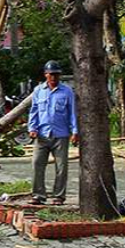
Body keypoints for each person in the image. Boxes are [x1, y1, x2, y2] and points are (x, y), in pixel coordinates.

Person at [28, 60, 79, 205]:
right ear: (46, 75)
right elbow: (34, 111)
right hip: (42, 135)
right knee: (37, 164)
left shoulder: (67, 91)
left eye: (57, 74)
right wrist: (32, 128)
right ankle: (38, 195)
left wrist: (75, 131)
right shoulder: (38, 90)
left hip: (61, 135)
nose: (54, 77)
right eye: (51, 74)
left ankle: (59, 196)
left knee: (61, 167)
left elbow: (72, 113)